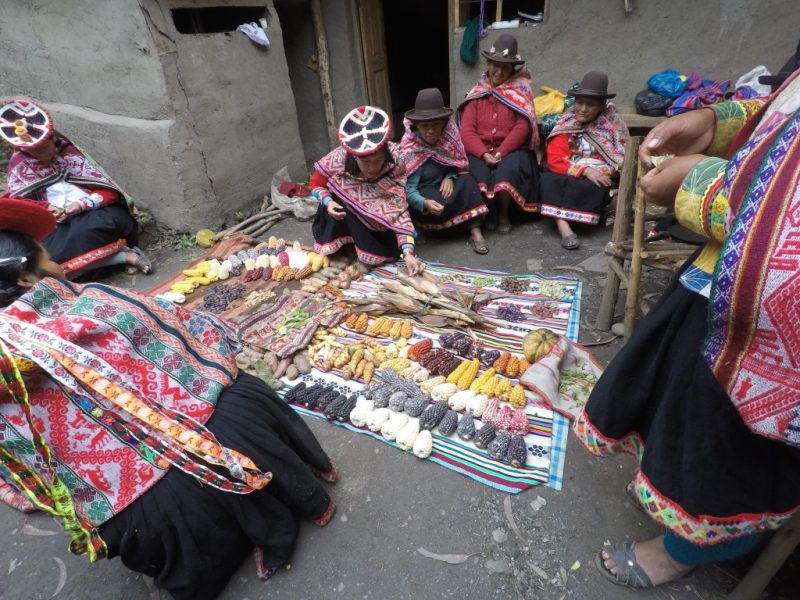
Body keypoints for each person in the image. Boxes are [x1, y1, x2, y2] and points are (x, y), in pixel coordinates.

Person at [0, 198, 336, 599]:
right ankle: (296, 493)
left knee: (169, 491)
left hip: (130, 509)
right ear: (25, 277)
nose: (58, 264)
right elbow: (199, 333)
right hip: (209, 454)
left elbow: (25, 478)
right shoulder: (95, 305)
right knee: (236, 396)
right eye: (48, 258)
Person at [574, 70, 800, 589]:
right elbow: (782, 121)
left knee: (720, 431)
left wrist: (699, 182)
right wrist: (715, 123)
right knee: (676, 386)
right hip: (722, 273)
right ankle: (671, 488)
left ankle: (691, 546)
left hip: (779, 328)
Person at [0, 99, 151, 277]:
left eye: (43, 149)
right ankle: (124, 257)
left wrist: (81, 204)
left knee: (95, 228)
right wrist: (47, 211)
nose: (39, 156)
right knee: (44, 255)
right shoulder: (20, 165)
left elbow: (109, 192)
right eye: (33, 152)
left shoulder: (71, 153)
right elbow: (22, 206)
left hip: (95, 213)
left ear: (53, 139)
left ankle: (110, 259)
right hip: (58, 226)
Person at [311, 105, 425, 275]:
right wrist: (327, 202)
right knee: (339, 194)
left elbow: (399, 209)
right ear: (354, 157)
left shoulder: (397, 160)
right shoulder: (339, 158)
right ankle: (345, 248)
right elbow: (316, 184)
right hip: (345, 216)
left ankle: (365, 249)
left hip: (378, 222)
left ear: (385, 156)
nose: (371, 168)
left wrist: (408, 252)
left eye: (377, 161)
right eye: (365, 162)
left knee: (388, 246)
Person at [458, 33, 540, 233]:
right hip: (480, 150)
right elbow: (467, 130)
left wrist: (500, 153)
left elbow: (522, 128)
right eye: (494, 64)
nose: (498, 70)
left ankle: (504, 214)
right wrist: (484, 153)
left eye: (504, 67)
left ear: (512, 69)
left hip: (512, 150)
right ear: (488, 64)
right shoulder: (477, 94)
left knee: (507, 170)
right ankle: (490, 211)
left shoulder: (520, 92)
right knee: (477, 170)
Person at [540, 72, 628, 249]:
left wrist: (604, 171)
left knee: (594, 185)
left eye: (591, 104)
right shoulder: (566, 124)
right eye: (580, 102)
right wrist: (584, 170)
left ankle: (580, 215)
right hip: (571, 170)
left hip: (598, 175)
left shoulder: (611, 125)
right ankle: (563, 225)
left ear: (602, 106)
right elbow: (555, 159)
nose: (583, 109)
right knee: (548, 179)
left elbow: (620, 159)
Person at [400, 88, 489, 254]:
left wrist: (450, 176)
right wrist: (423, 203)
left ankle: (475, 231)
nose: (431, 131)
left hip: (443, 188)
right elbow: (407, 190)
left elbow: (456, 165)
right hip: (426, 197)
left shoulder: (448, 140)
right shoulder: (410, 149)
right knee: (428, 198)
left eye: (436, 125)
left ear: (444, 124)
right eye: (425, 126)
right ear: (416, 126)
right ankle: (426, 228)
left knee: (468, 181)